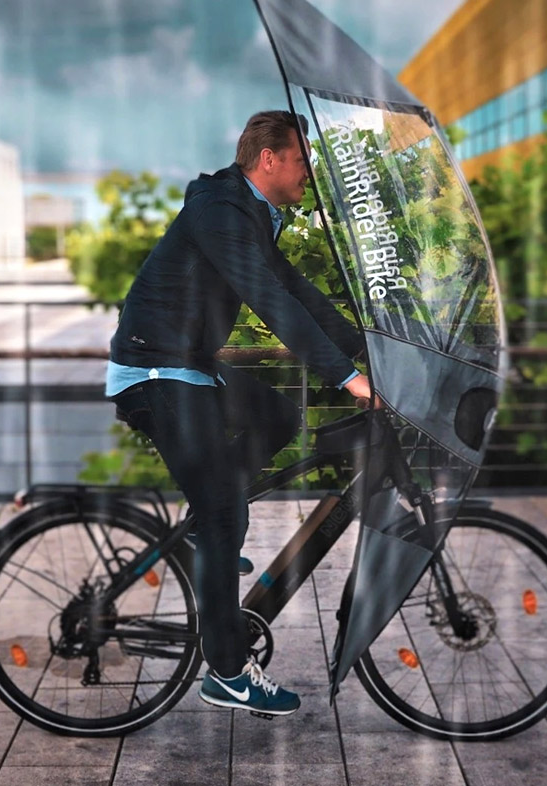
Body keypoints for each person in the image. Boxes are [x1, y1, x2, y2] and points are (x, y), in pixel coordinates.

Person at [106, 110, 375, 717]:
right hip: (155, 371)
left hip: (187, 363)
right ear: (269, 159)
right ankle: (226, 672)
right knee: (227, 515)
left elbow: (296, 290)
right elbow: (272, 301)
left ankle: (209, 528)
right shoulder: (219, 213)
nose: (310, 173)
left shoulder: (247, 214)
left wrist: (366, 350)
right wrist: (349, 379)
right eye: (303, 160)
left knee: (278, 419)